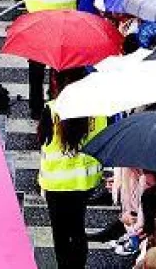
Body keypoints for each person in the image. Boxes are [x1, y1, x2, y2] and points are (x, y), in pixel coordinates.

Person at [38, 98, 107, 269]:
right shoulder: (97, 111)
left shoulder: (52, 108)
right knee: (77, 228)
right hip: (83, 181)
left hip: (55, 182)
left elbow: (42, 139)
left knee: (59, 232)